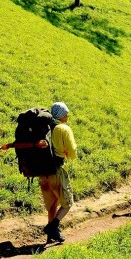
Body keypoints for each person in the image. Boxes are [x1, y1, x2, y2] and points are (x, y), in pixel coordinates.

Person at [40, 102, 77, 243]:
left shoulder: (45, 126)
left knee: (52, 205)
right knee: (67, 203)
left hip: (42, 171)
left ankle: (51, 236)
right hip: (57, 171)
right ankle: (53, 227)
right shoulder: (63, 129)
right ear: (62, 115)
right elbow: (72, 152)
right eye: (66, 113)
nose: (67, 115)